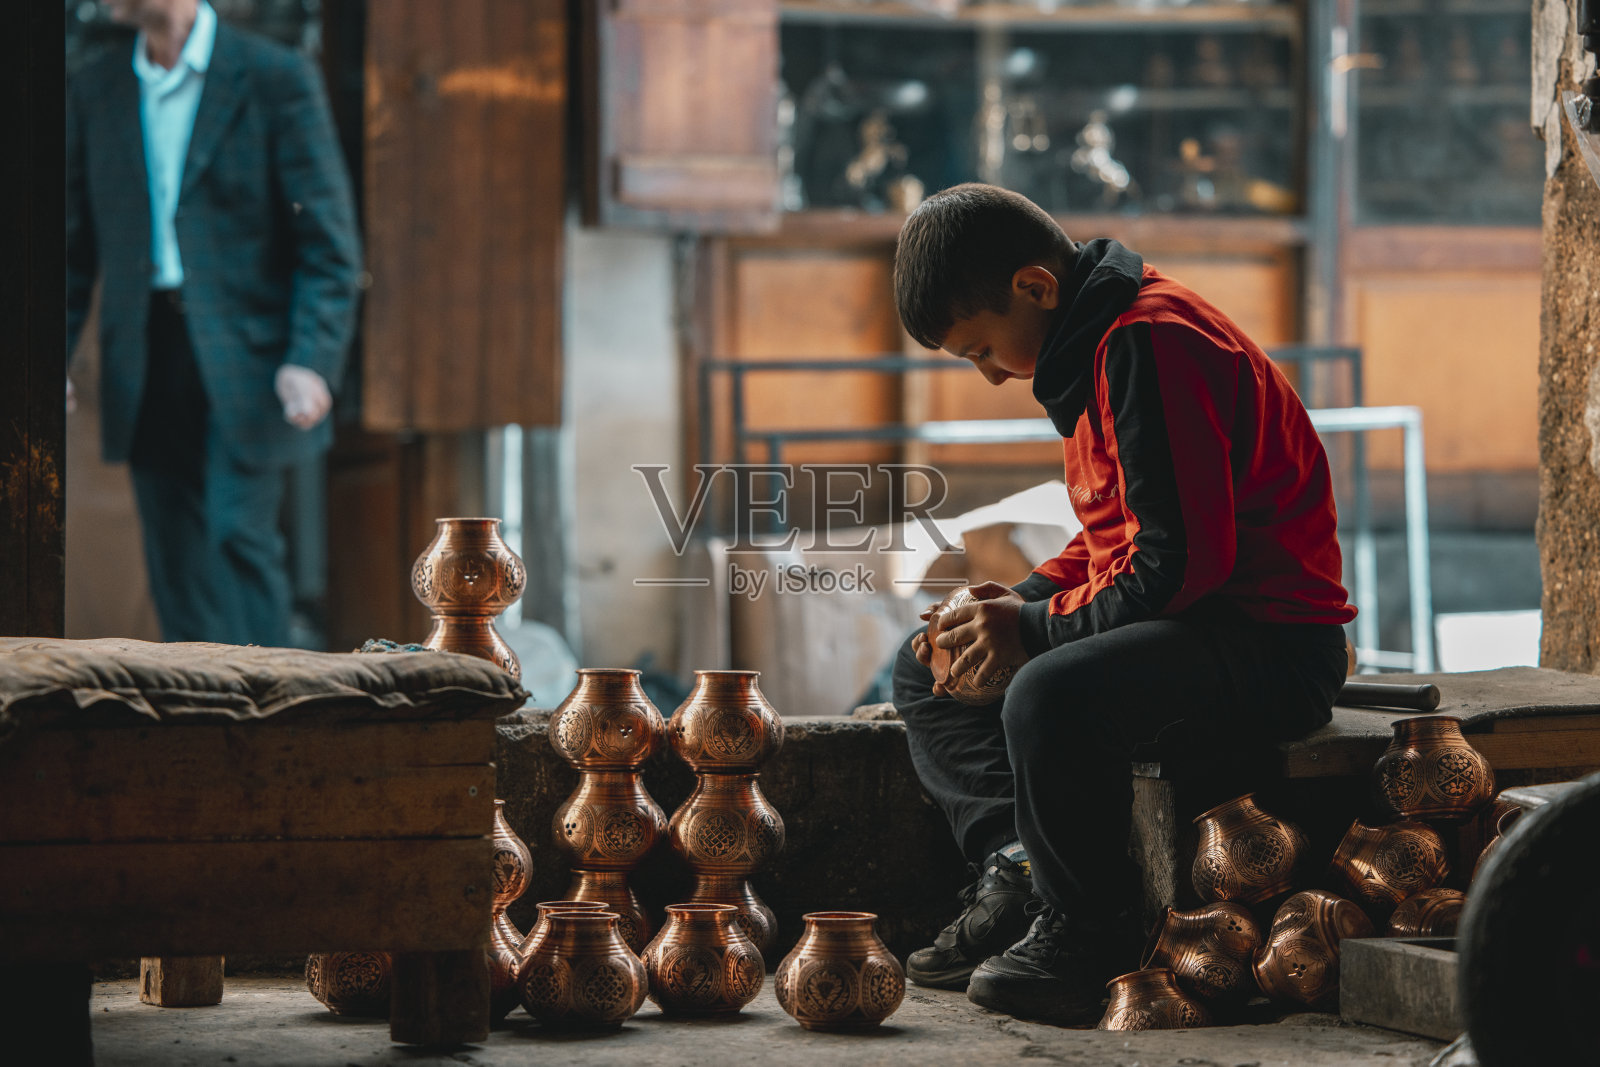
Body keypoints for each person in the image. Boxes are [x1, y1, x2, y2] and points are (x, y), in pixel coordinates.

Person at [890, 184, 1354, 1024]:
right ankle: (1019, 868)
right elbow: (1116, 537)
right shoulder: (1094, 342)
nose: (990, 374)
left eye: (982, 350)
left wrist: (1033, 630)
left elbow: (1180, 567)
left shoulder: (1151, 340)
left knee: (1046, 692)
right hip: (1188, 621)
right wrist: (1019, 601)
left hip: (1270, 643)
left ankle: (1088, 935)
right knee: (927, 665)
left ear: (1035, 287)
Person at [66, 0, 361, 647]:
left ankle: (274, 704)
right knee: (174, 557)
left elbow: (328, 243)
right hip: (144, 350)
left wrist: (310, 358)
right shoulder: (96, 87)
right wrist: (47, 359)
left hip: (251, 358)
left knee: (235, 534)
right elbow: (71, 249)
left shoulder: (274, 76)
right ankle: (194, 708)